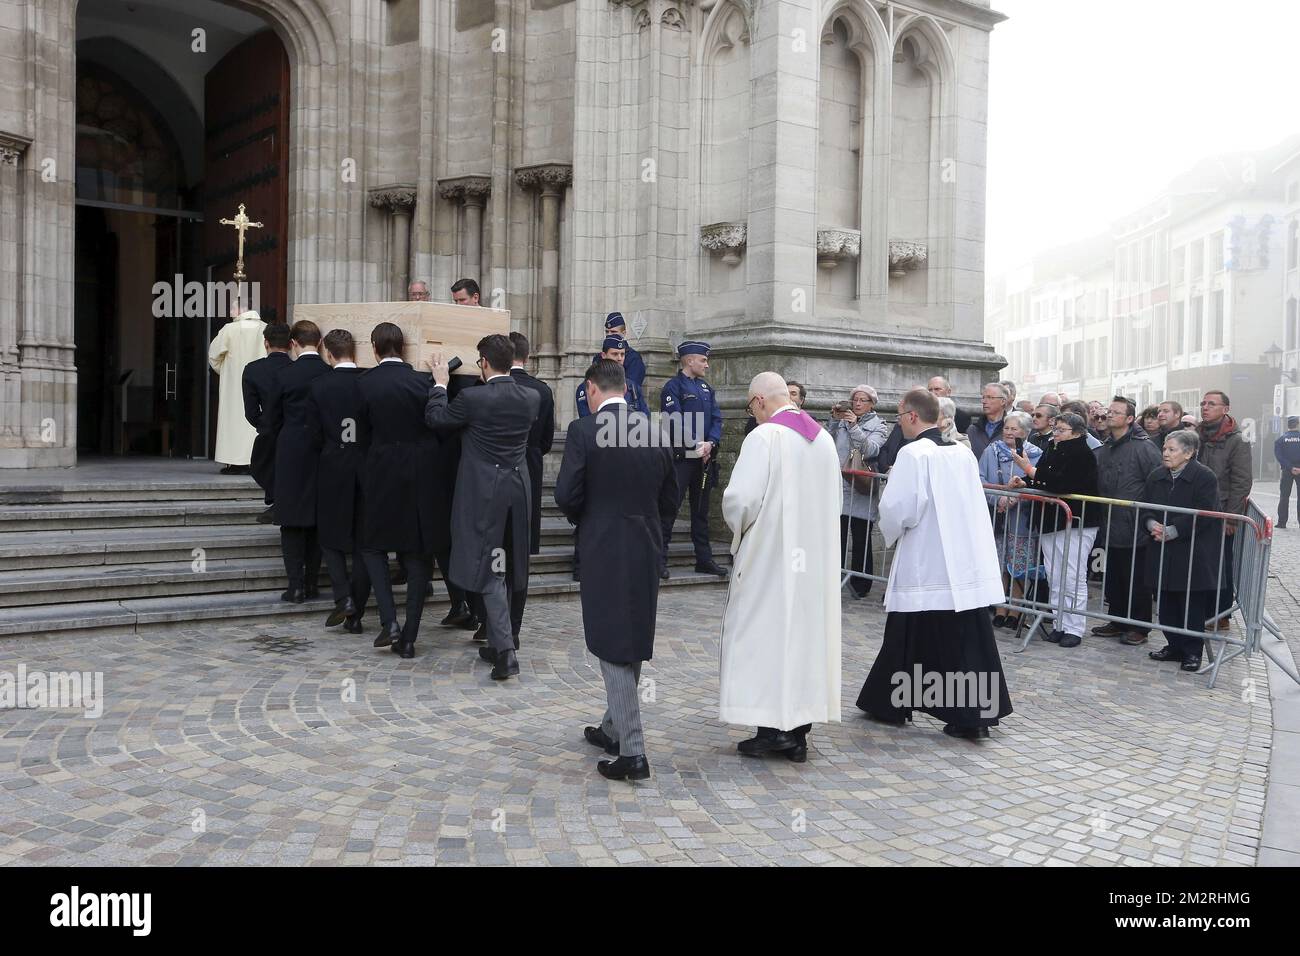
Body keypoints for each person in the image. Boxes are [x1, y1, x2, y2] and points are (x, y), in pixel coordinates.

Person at [856, 388, 1013, 740]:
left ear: (913, 416)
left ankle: (894, 703)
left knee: (910, 630)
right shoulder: (962, 454)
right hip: (963, 561)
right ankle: (968, 713)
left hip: (926, 560)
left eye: (899, 415)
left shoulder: (913, 454)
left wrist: (890, 528)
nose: (899, 422)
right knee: (963, 638)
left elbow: (899, 510)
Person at [555, 359, 678, 781]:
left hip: (604, 546)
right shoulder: (656, 430)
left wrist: (590, 519)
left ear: (591, 389)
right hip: (645, 546)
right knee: (630, 635)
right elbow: (671, 495)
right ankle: (613, 727)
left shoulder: (583, 431)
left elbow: (566, 494)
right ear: (624, 388)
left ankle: (634, 751)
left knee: (611, 642)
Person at [720, 372, 841, 761]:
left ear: (758, 401)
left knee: (764, 636)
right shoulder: (822, 438)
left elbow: (740, 499)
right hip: (814, 560)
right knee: (803, 638)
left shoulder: (764, 437)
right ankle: (797, 730)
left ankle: (774, 730)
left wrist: (739, 535)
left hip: (770, 557)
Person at [425, 334, 540, 680]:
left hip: (485, 492)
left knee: (490, 567)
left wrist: (440, 384)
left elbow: (437, 419)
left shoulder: (474, 398)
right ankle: (502, 639)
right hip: (518, 490)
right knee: (511, 563)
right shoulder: (532, 397)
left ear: (485, 364)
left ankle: (505, 651)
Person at [355, 322, 441, 659]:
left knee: (373, 545)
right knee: (418, 554)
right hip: (421, 473)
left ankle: (389, 621)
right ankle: (409, 636)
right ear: (403, 348)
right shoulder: (422, 382)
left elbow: (360, 434)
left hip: (380, 470)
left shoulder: (364, 383)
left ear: (374, 348)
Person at [1010, 412, 1100, 648]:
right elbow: (1044, 478)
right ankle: (1060, 622)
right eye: (1056, 428)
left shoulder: (1082, 454)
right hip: (1051, 520)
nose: (1056, 433)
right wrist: (1026, 481)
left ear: (1077, 432)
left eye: (1061, 429)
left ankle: (1074, 627)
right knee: (1055, 575)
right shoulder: (1053, 448)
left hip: (1075, 521)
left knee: (1072, 575)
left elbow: (1063, 483)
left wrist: (1028, 469)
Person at [1140, 430, 1221, 671]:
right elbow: (1145, 507)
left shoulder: (1205, 477)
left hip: (1192, 551)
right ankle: (1173, 645)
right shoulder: (1156, 476)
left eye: (1172, 449)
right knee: (1165, 604)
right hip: (1161, 549)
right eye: (1165, 448)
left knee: (1191, 605)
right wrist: (1151, 524)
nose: (1165, 453)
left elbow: (1206, 513)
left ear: (1189, 453)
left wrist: (1174, 530)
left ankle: (1192, 651)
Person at [307, 329, 371, 632]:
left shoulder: (319, 386)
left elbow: (313, 434)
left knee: (330, 537)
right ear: (354, 352)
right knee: (362, 540)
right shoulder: (367, 383)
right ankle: (355, 612)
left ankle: (343, 597)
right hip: (365, 464)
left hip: (333, 463)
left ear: (328, 354)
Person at [264, 320, 330, 603]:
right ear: (320, 342)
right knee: (316, 519)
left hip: (291, 450)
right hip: (322, 450)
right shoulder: (329, 373)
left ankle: (296, 586)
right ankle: (313, 583)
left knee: (291, 521)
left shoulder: (284, 374)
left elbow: (270, 420)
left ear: (293, 343)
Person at [1091, 396, 1162, 646]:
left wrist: (1150, 519)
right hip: (1111, 522)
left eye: (1116, 412)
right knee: (1115, 577)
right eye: (1109, 411)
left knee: (1137, 580)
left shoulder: (1144, 448)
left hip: (1136, 525)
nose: (1109, 415)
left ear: (1130, 418)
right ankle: (1118, 619)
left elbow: (1157, 482)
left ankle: (1139, 627)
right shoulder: (1106, 446)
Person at [659, 341, 726, 580]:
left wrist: (711, 443)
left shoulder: (707, 388)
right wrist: (696, 444)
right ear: (689, 360)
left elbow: (717, 419)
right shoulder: (673, 387)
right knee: (669, 508)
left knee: (701, 512)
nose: (707, 365)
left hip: (704, 459)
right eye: (703, 360)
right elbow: (674, 420)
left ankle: (704, 559)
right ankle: (659, 559)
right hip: (681, 459)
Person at [978, 410, 1041, 630]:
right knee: (999, 565)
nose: (1009, 432)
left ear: (1025, 431)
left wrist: (1016, 497)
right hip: (997, 517)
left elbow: (1039, 484)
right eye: (1006, 428)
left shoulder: (1036, 454)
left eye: (1014, 429)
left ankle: (1016, 610)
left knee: (1019, 567)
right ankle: (1000, 608)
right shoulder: (991, 451)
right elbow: (980, 479)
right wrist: (1000, 498)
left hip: (1023, 519)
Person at [1196, 391, 1252, 631]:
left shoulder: (1237, 440)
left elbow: (1242, 481)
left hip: (1221, 511)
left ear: (1225, 409)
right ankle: (1201, 609)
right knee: (1198, 561)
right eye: (1203, 403)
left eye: (1211, 404)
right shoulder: (1197, 434)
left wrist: (1232, 517)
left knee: (1220, 564)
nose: (1205, 407)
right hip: (1196, 510)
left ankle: (1221, 613)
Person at [828, 385, 888, 598]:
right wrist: (835, 420)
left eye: (863, 400)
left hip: (861, 486)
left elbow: (872, 449)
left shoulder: (879, 425)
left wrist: (854, 427)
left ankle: (861, 584)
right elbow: (827, 441)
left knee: (862, 538)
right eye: (855, 399)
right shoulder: (843, 421)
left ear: (872, 404)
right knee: (838, 536)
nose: (858, 403)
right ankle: (834, 577)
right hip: (840, 486)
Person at [509, 332, 555, 555]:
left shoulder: (493, 387)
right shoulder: (543, 390)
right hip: (531, 457)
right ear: (527, 358)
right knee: (528, 514)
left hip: (500, 459)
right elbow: (547, 438)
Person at [242, 322, 291, 523]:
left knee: (263, 465)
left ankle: (277, 502)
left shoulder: (253, 370)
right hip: (295, 428)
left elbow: (251, 411)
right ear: (290, 344)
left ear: (266, 343)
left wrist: (265, 424)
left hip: (269, 430)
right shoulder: (296, 368)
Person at [208, 302, 266, 474]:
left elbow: (213, 355)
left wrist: (226, 372)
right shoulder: (265, 328)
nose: (230, 311)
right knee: (254, 420)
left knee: (233, 421)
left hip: (234, 384)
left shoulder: (229, 329)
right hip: (260, 383)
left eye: (233, 307)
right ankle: (253, 460)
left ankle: (234, 463)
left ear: (242, 309)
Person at [576, 335, 647, 415]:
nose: (619, 358)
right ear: (604, 355)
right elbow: (586, 421)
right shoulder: (587, 387)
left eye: (622, 354)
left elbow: (645, 417)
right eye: (615, 354)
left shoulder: (633, 387)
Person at [600, 312, 646, 394]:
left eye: (613, 332)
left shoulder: (633, 358)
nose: (609, 335)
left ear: (623, 333)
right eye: (607, 332)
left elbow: (631, 388)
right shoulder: (599, 357)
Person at [966, 382, 1009, 461]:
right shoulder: (972, 430)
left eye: (990, 397)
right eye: (983, 397)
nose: (984, 401)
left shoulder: (1010, 429)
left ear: (1003, 401)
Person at [1275, 416, 1300, 529]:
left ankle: (1282, 522)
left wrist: (1290, 467)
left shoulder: (1280, 439)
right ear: (1297, 424)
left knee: (1284, 496)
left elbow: (1279, 456)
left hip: (1286, 471)